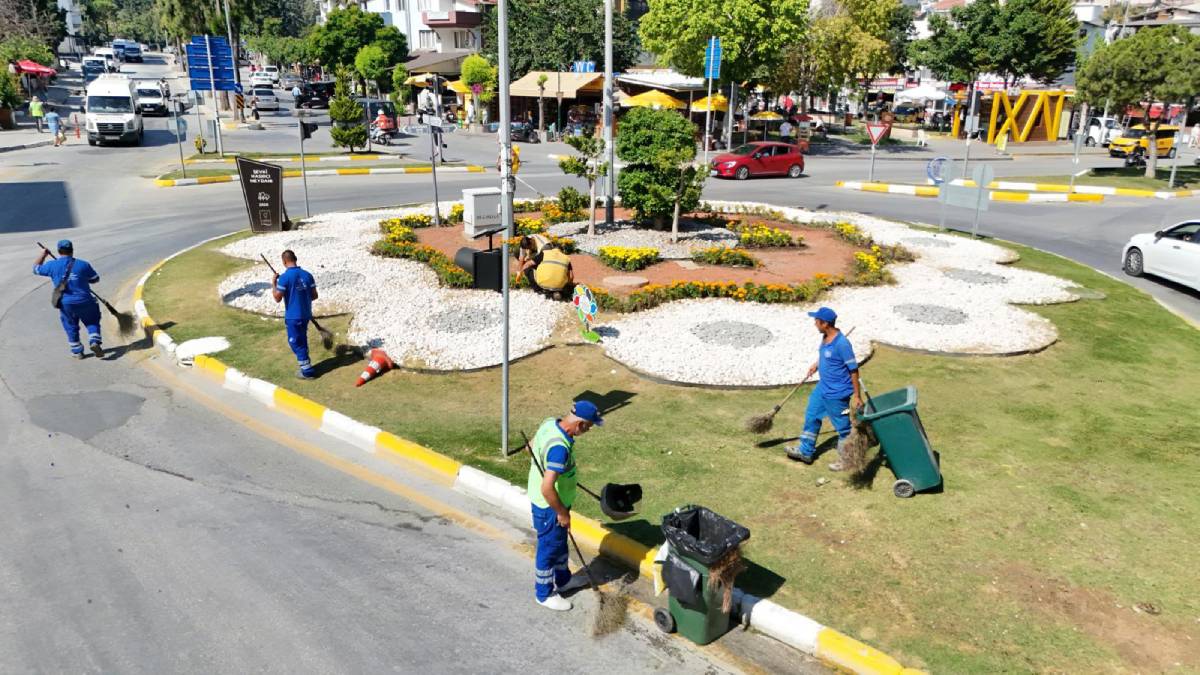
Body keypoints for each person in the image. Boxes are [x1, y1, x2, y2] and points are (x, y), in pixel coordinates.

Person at [527, 400, 604, 610]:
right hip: (549, 507)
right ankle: (543, 593)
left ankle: (563, 580)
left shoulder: (550, 423)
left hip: (555, 503)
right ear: (580, 424)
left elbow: (530, 447)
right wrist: (561, 513)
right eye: (589, 427)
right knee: (549, 548)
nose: (588, 431)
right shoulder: (560, 448)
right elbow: (547, 488)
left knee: (559, 543)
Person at [787, 307, 863, 470]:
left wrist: (857, 396)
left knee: (843, 428)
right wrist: (817, 364)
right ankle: (805, 451)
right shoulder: (825, 337)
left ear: (825, 323)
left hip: (837, 393)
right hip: (822, 388)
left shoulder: (842, 344)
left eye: (816, 321)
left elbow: (854, 370)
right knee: (812, 415)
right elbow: (828, 356)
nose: (814, 323)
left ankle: (848, 460)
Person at [33, 240, 104, 359]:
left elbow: (35, 269)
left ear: (59, 251)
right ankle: (94, 341)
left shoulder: (52, 265)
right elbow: (95, 279)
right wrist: (84, 279)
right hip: (85, 300)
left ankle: (77, 351)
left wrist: (43, 255)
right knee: (92, 321)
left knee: (70, 325)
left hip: (66, 303)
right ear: (72, 250)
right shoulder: (83, 264)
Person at [270, 250, 319, 379]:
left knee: (295, 342)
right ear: (295, 258)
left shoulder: (285, 278)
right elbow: (314, 296)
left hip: (293, 317)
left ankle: (307, 371)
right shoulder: (308, 275)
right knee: (302, 339)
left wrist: (274, 283)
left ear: (284, 262)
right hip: (305, 315)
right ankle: (306, 365)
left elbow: (277, 298)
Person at [517, 234, 573, 299]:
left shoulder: (545, 248)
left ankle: (539, 290)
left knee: (528, 268)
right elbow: (571, 276)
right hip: (560, 285)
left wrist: (520, 272)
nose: (528, 249)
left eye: (529, 247)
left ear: (532, 241)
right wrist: (566, 284)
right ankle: (557, 291)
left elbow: (527, 264)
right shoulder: (566, 258)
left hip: (543, 282)